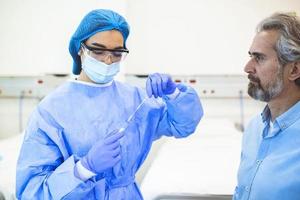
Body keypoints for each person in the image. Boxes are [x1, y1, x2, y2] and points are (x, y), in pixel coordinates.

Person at [16, 9, 203, 199]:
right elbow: (32, 192)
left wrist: (174, 93)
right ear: (80, 48)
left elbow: (184, 125)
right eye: (98, 50)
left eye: (117, 53)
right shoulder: (51, 110)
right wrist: (83, 169)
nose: (107, 60)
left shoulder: (135, 99)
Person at [233, 13, 300, 200]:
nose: (247, 67)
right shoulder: (254, 128)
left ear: (294, 70)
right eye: (250, 56)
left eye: (259, 58)